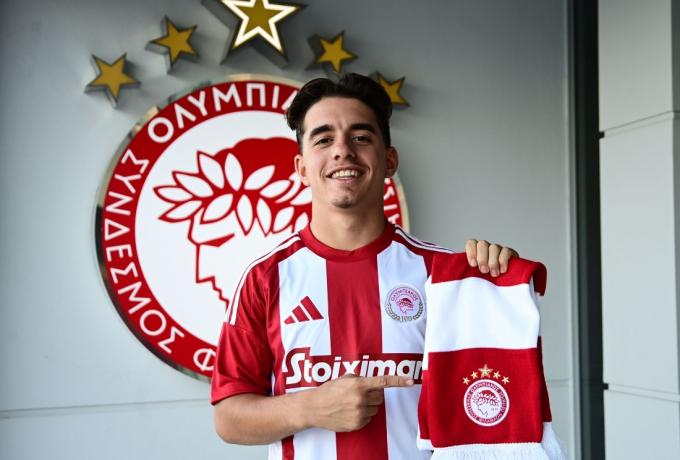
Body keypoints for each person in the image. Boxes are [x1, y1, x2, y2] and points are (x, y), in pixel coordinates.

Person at [211, 73, 519, 460]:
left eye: (360, 137)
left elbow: (490, 392)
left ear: (389, 161)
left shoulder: (444, 273)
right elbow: (229, 418)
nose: (343, 150)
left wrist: (498, 284)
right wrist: (311, 407)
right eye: (323, 139)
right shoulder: (265, 278)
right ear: (302, 168)